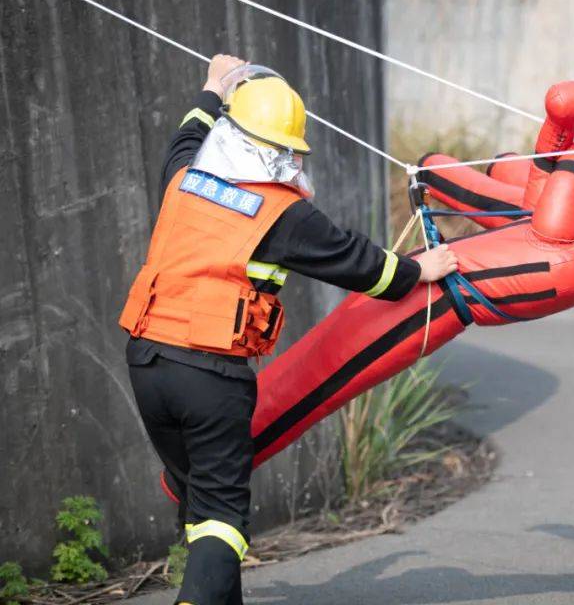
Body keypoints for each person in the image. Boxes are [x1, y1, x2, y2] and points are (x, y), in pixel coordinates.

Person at [118, 54, 457, 605]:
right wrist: (422, 271)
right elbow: (362, 265)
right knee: (221, 518)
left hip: (146, 362)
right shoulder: (283, 213)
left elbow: (186, 137)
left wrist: (212, 88)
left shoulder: (183, 179)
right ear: (285, 151)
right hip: (211, 372)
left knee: (197, 495)